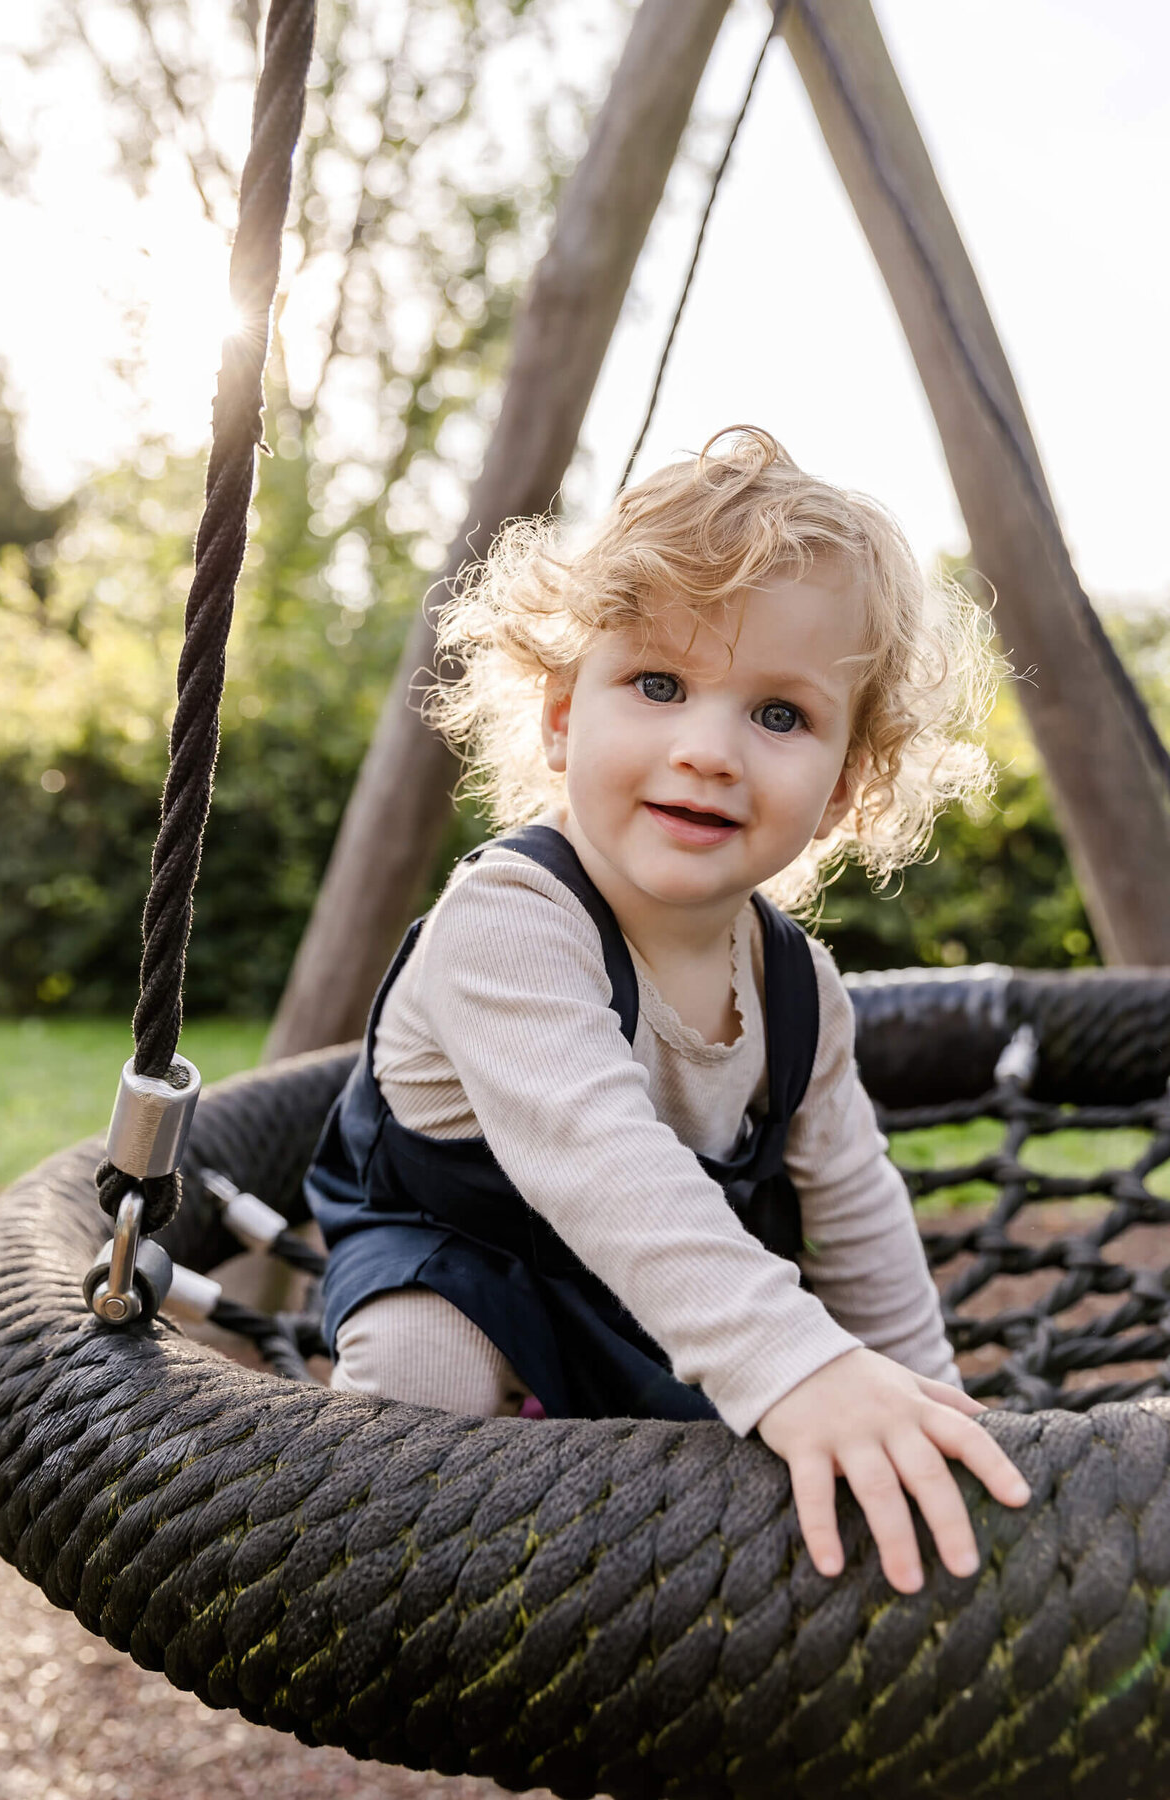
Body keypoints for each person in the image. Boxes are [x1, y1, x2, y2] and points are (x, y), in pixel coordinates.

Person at [306, 426, 1030, 1594]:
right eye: (658, 684)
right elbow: (599, 1160)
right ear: (559, 715)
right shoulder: (512, 919)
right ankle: (408, 1599)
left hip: (656, 1286)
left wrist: (927, 1393)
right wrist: (791, 1363)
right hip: (463, 1255)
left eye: (781, 716)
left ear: (846, 785)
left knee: (775, 1436)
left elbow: (852, 1199)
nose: (708, 751)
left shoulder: (799, 990)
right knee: (424, 1371)